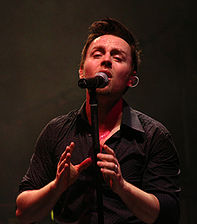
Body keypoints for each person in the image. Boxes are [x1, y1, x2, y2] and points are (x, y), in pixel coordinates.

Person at [16, 18, 181, 224]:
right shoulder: (56, 131)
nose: (106, 61)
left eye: (117, 57)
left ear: (131, 77)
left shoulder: (154, 136)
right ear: (82, 70)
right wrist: (57, 186)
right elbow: (22, 213)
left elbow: (168, 215)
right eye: (97, 54)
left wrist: (122, 186)